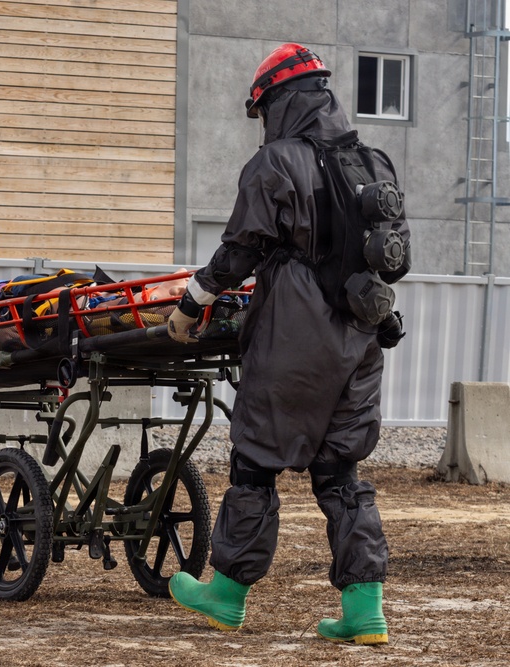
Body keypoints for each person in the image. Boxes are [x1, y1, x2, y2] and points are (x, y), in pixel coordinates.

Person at [166, 44, 412, 645]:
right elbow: (399, 256)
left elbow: (240, 251)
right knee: (342, 472)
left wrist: (193, 303)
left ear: (277, 102)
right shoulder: (376, 162)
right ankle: (363, 610)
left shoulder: (275, 162)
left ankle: (225, 594)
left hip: (294, 335)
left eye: (261, 111)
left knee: (256, 462)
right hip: (362, 335)